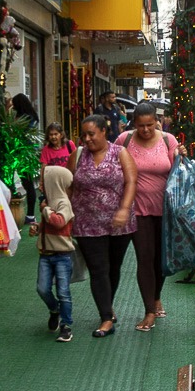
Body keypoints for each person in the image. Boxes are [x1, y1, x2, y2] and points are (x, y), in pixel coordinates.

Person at [115, 102, 184, 331]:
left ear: (157, 121)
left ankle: (156, 297)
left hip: (165, 210)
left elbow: (179, 172)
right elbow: (111, 166)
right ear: (134, 124)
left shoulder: (168, 140)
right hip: (137, 210)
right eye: (140, 126)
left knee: (159, 261)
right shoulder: (124, 140)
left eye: (150, 125)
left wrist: (180, 155)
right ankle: (149, 311)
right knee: (145, 259)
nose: (145, 130)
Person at [68, 114, 137, 338]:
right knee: (98, 270)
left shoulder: (120, 153)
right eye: (84, 135)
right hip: (86, 223)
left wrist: (124, 209)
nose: (87, 139)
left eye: (92, 134)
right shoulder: (77, 155)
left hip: (118, 223)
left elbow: (130, 182)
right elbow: (68, 186)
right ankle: (106, 317)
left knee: (113, 269)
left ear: (104, 132)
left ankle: (108, 304)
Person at [29, 165, 75, 343]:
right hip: (46, 254)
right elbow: (47, 224)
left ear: (54, 182)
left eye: (44, 180)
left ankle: (66, 325)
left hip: (62, 255)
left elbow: (59, 221)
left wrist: (45, 210)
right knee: (42, 288)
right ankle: (54, 309)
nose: (41, 184)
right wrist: (37, 228)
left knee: (63, 291)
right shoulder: (48, 201)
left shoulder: (63, 202)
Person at [10, 93, 40, 224]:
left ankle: (30, 215)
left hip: (23, 154)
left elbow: (14, 131)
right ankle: (30, 214)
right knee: (28, 185)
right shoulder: (31, 116)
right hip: (27, 154)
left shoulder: (25, 118)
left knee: (27, 184)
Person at [39, 122, 75, 187]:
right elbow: (44, 168)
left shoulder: (69, 145)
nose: (53, 137)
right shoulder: (46, 150)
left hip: (69, 181)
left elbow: (77, 161)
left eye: (56, 134)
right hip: (54, 183)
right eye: (51, 134)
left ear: (61, 135)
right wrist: (41, 182)